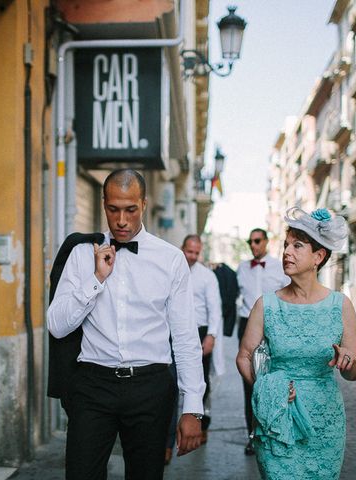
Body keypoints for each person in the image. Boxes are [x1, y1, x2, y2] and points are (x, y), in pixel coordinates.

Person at [47, 168, 205, 480]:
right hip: (93, 386)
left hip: (151, 386)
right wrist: (95, 279)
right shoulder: (82, 254)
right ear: (103, 204)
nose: (121, 220)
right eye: (113, 209)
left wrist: (192, 407)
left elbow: (186, 338)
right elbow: (57, 325)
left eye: (130, 210)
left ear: (144, 205)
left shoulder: (170, 259)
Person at [236, 207, 356, 479]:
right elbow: (244, 356)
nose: (286, 252)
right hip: (277, 421)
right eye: (285, 246)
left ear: (318, 256)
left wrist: (348, 362)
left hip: (325, 422)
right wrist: (267, 390)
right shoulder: (265, 305)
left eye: (297, 246)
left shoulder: (340, 305)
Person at [236, 228, 290, 455]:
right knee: (250, 385)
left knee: (276, 381)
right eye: (250, 241)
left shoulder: (280, 266)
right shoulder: (241, 268)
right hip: (247, 326)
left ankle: (275, 431)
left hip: (272, 329)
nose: (253, 245)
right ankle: (252, 435)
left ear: (266, 242)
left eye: (257, 241)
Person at [181, 235, 224, 444]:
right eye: (189, 251)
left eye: (196, 253)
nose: (193, 256)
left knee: (202, 380)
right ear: (183, 248)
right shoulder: (174, 269)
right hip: (176, 331)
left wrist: (211, 336)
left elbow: (215, 308)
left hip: (200, 332)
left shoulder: (208, 276)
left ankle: (202, 423)